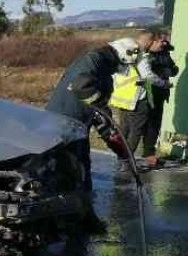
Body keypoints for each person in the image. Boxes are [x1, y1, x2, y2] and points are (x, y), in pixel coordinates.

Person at [46, 37, 139, 190]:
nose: (121, 69)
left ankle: (80, 203)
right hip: (64, 123)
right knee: (68, 168)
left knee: (79, 169)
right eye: (123, 64)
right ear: (122, 54)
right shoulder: (94, 60)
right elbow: (81, 86)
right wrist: (102, 108)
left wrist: (117, 143)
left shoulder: (103, 68)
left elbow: (98, 111)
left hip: (77, 125)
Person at [109, 30, 168, 170]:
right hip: (137, 98)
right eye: (160, 42)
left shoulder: (126, 53)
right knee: (136, 130)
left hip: (122, 98)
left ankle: (121, 158)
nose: (163, 45)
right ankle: (127, 162)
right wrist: (164, 83)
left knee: (124, 129)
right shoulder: (140, 55)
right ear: (150, 41)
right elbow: (148, 76)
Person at [142, 33, 179, 166]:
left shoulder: (165, 53)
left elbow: (174, 69)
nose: (164, 43)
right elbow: (146, 73)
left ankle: (149, 153)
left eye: (165, 41)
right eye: (162, 41)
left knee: (155, 123)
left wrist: (169, 71)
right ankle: (131, 155)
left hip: (161, 92)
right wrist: (164, 72)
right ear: (153, 41)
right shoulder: (145, 54)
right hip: (148, 91)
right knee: (144, 123)